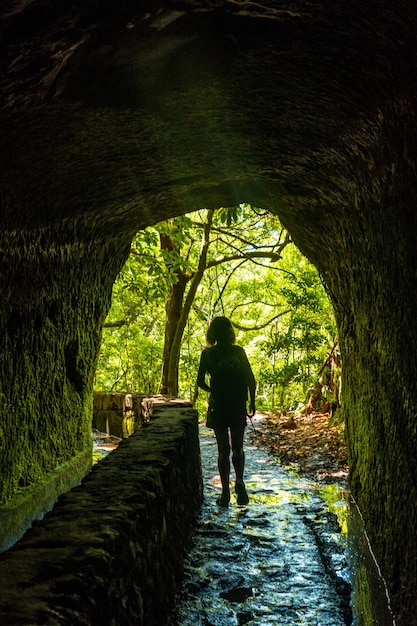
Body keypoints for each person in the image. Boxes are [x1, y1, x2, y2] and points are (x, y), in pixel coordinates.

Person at [197, 316, 256, 507]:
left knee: (223, 450)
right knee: (237, 447)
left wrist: (212, 391)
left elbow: (200, 382)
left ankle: (225, 494)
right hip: (237, 404)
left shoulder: (208, 354)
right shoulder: (238, 352)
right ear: (230, 332)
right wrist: (252, 402)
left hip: (218, 405)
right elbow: (250, 378)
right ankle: (240, 481)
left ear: (212, 333)